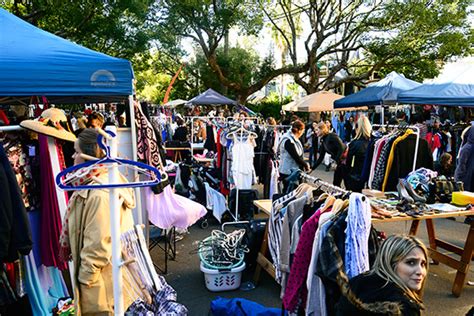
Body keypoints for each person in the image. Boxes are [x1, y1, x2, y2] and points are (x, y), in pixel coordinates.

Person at [59, 128, 137, 314]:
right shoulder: (101, 182)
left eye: (77, 151)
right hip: (106, 278)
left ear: (89, 156)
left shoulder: (99, 193)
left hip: (101, 284)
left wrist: (86, 280)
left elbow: (98, 247)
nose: (72, 156)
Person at [336, 235, 428, 316]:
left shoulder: (356, 284)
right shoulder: (405, 308)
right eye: (410, 262)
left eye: (423, 264)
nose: (420, 271)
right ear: (390, 264)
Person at [278, 120, 310, 193]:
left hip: (291, 170)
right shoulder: (288, 140)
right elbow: (295, 156)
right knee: (289, 192)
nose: (303, 133)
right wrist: (305, 165)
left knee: (292, 191)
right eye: (303, 131)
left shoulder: (291, 138)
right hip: (288, 171)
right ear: (299, 130)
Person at [312, 121, 346, 186]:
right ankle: (338, 195)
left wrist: (335, 162)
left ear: (322, 129)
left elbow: (341, 148)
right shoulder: (323, 140)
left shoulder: (332, 136)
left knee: (347, 183)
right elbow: (321, 157)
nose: (315, 132)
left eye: (317, 130)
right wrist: (312, 168)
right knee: (336, 183)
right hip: (340, 162)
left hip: (345, 161)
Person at [345, 116, 372, 192]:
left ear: (357, 128)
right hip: (370, 178)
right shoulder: (374, 142)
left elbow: (349, 163)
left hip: (356, 178)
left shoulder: (354, 143)